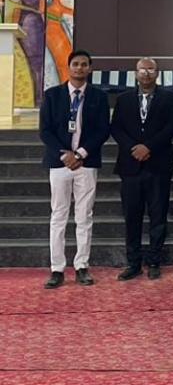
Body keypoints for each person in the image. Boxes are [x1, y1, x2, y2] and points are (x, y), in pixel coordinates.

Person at [40, 49, 110, 288]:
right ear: (68, 67)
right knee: (58, 215)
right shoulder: (52, 95)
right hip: (59, 163)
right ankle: (57, 269)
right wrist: (65, 155)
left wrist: (80, 154)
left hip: (86, 163)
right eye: (76, 64)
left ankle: (82, 266)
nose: (80, 68)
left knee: (84, 216)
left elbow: (103, 130)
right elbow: (45, 131)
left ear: (90, 68)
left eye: (84, 64)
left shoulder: (99, 96)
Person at [112, 58, 173, 280]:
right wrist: (134, 148)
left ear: (157, 73)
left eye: (150, 69)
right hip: (130, 166)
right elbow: (116, 128)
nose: (146, 73)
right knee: (132, 217)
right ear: (135, 73)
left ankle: (154, 261)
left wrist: (148, 147)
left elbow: (171, 126)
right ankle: (133, 263)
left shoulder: (170, 98)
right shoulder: (123, 99)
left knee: (158, 217)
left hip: (158, 165)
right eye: (142, 69)